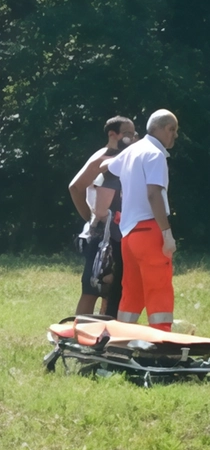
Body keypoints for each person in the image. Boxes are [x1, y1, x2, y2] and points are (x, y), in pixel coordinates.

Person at [108, 109, 179, 331]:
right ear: (163, 128)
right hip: (149, 230)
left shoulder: (132, 150)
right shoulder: (155, 154)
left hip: (129, 234)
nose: (175, 136)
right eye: (173, 130)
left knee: (132, 292)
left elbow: (109, 167)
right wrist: (167, 234)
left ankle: (120, 340)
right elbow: (153, 194)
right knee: (158, 288)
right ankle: (162, 342)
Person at [67, 115, 136, 315]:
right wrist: (89, 217)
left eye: (134, 134)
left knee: (111, 290)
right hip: (102, 236)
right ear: (112, 134)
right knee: (91, 289)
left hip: (119, 233)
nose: (131, 139)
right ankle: (79, 335)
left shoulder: (122, 157)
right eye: (127, 134)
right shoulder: (103, 158)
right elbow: (75, 187)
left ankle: (104, 334)